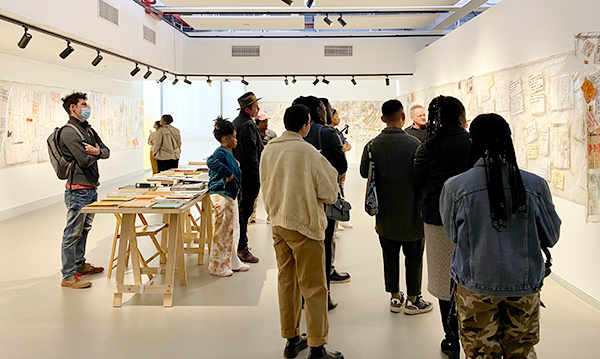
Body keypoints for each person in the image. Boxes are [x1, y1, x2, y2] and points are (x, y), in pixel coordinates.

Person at [440, 113, 561, 359]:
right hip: (524, 283)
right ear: (508, 140)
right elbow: (551, 236)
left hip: (475, 284)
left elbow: (454, 235)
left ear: (472, 141)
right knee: (522, 351)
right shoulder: (534, 185)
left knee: (481, 353)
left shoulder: (456, 187)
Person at [260, 104, 343, 359]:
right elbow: (329, 192)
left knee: (287, 282)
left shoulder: (269, 150)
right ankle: (317, 347)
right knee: (314, 287)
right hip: (305, 225)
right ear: (305, 125)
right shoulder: (307, 152)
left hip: (278, 224)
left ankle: (291, 339)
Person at [360, 99, 433, 315]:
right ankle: (413, 299)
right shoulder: (415, 145)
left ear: (383, 118)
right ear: (403, 117)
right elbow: (423, 176)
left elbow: (365, 173)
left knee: (389, 255)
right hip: (413, 213)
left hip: (385, 215)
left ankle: (394, 297)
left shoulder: (372, 145)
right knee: (414, 256)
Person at [414, 96, 471, 358]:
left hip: (436, 219)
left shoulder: (427, 146)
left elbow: (418, 182)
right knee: (471, 277)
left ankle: (451, 337)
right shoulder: (472, 142)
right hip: (471, 219)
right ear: (460, 115)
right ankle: (472, 331)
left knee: (443, 279)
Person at [292, 96, 348, 309]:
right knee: (323, 245)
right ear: (318, 109)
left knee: (300, 247)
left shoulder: (290, 138)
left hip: (297, 197)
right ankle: (323, 295)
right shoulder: (327, 133)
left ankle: (302, 295)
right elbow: (341, 166)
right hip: (323, 199)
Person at [58, 92, 110, 289]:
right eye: (84, 104)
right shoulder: (69, 132)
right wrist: (97, 154)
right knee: (72, 233)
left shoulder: (88, 129)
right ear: (73, 108)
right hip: (77, 190)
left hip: (90, 187)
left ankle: (79, 265)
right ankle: (68, 276)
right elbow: (84, 159)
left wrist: (97, 151)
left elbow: (106, 151)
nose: (87, 108)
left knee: (84, 229)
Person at [206, 117, 250, 277]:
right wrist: (229, 174)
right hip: (222, 195)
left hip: (230, 195)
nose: (236, 140)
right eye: (234, 136)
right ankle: (217, 266)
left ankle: (232, 262)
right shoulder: (220, 152)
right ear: (226, 138)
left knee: (233, 230)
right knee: (222, 232)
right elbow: (211, 162)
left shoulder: (227, 153)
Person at [232, 92, 263, 263]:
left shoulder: (240, 123)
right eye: (255, 106)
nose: (258, 109)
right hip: (248, 176)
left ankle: (240, 245)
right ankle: (241, 247)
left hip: (242, 174)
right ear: (247, 109)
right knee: (245, 212)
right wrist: (257, 177)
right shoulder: (246, 125)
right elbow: (251, 154)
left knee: (242, 211)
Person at [249, 112, 277, 223]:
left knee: (271, 191)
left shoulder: (272, 135)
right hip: (255, 166)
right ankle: (252, 214)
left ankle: (271, 215)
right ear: (257, 123)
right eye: (263, 121)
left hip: (269, 166)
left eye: (266, 121)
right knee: (254, 192)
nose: (266, 123)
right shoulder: (253, 134)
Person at [329, 109, 353, 230]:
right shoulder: (328, 133)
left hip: (341, 166)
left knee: (341, 190)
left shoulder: (337, 132)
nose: (338, 118)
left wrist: (345, 147)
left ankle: (341, 215)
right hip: (332, 167)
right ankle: (335, 219)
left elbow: (347, 144)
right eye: (336, 116)